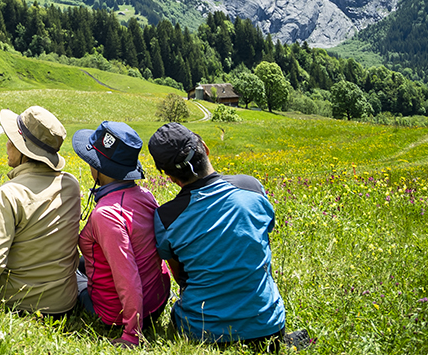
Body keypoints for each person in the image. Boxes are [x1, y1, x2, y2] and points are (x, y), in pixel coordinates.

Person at [147, 123, 286, 346]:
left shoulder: (167, 218)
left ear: (170, 177)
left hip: (202, 332)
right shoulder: (251, 187)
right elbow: (263, 243)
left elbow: (181, 277)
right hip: (269, 327)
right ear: (205, 148)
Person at [0, 106, 81, 316]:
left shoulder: (10, 193)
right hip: (64, 302)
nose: (7, 144)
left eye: (12, 139)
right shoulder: (71, 184)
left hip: (18, 302)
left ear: (24, 151)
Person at [71, 121, 170, 348]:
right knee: (81, 262)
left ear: (99, 167)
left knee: (68, 272)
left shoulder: (106, 214)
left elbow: (127, 277)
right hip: (156, 300)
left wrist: (132, 334)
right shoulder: (145, 195)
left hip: (116, 313)